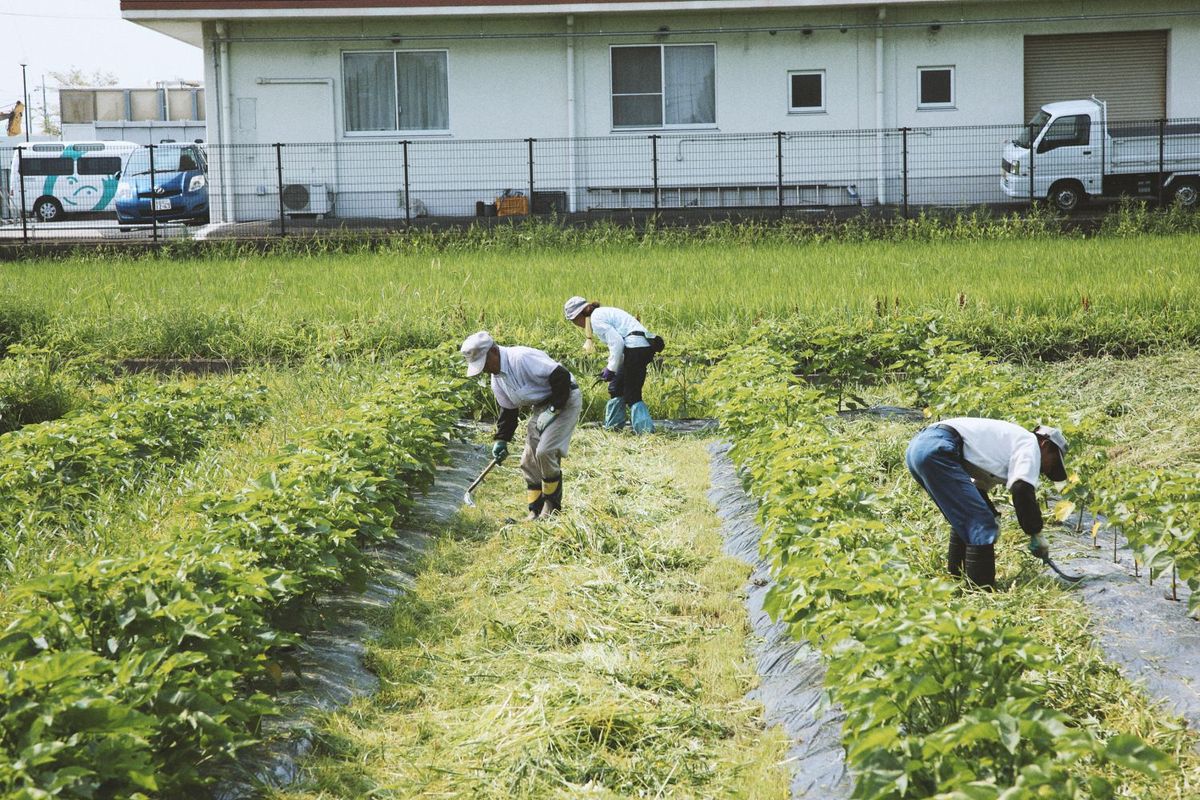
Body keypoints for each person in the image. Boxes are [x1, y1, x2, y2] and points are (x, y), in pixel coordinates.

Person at [905, 418, 1069, 589]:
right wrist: (1035, 532)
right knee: (982, 523)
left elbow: (977, 490)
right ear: (1045, 444)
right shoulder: (1030, 444)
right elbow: (1022, 489)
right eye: (1054, 462)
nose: (1048, 470)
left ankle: (956, 581)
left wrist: (992, 514)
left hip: (920, 448)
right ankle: (981, 592)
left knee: (968, 518)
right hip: (938, 448)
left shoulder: (1002, 448)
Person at [460, 331, 582, 520]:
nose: (484, 369)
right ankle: (535, 510)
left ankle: (551, 509)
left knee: (545, 451)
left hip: (565, 399)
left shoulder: (521, 358)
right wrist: (501, 440)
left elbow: (561, 376)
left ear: (493, 351)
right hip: (542, 406)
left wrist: (553, 410)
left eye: (484, 364)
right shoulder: (497, 379)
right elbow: (508, 410)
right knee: (528, 460)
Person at [563, 296, 656, 434]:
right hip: (637, 348)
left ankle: (646, 433)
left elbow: (617, 343)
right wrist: (611, 368)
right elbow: (621, 348)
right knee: (616, 387)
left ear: (581, 313)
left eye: (574, 321)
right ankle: (613, 429)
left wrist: (611, 369)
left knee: (632, 394)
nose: (576, 324)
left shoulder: (596, 319)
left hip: (637, 348)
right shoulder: (600, 315)